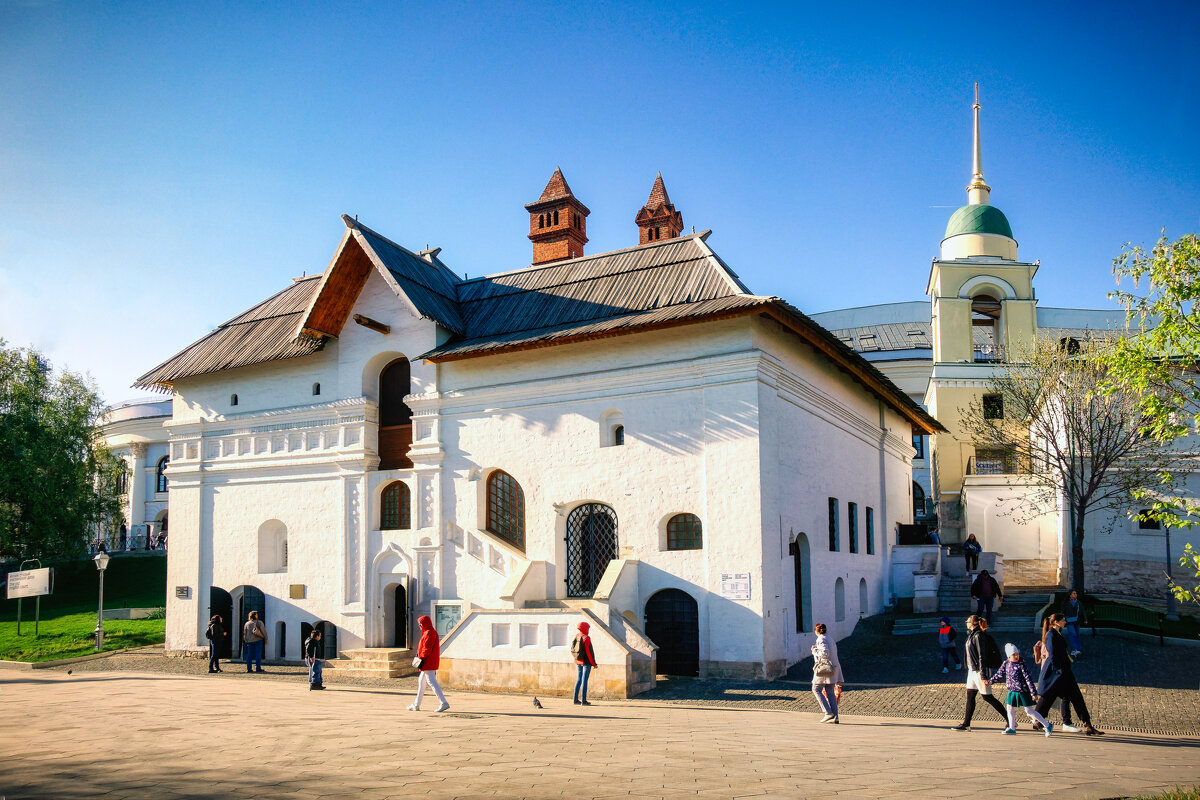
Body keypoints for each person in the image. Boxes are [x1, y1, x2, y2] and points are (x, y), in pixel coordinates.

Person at [1035, 613, 1104, 736]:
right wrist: (1060, 670)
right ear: (1056, 622)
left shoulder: (1057, 634)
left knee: (1074, 697)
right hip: (1058, 673)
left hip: (1063, 672)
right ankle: (1039, 720)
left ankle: (1086, 724)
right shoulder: (1051, 635)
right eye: (1063, 620)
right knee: (1049, 696)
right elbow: (1053, 655)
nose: (1065, 622)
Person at [952, 615, 1008, 731]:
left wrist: (983, 675)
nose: (966, 622)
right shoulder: (972, 635)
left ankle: (1010, 720)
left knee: (987, 697)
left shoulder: (979, 635)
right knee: (970, 696)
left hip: (980, 670)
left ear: (973, 623)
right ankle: (966, 724)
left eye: (967, 621)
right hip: (972, 670)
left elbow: (982, 656)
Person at [990, 643, 1053, 735]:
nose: (1016, 656)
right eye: (1014, 655)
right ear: (1009, 656)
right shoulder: (1006, 663)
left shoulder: (1021, 664)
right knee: (1009, 708)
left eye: (1017, 654)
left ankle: (1047, 725)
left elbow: (1028, 679)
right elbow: (999, 674)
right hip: (1012, 691)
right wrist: (990, 681)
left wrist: (1033, 693)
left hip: (1022, 691)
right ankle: (1011, 728)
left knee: (1029, 710)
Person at [408, 615, 449, 712]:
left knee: (431, 682)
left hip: (427, 662)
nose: (420, 626)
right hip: (429, 661)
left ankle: (443, 702)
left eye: (420, 624)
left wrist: (420, 659)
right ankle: (416, 704)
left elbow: (426, 649)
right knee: (421, 682)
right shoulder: (429, 632)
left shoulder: (428, 633)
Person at [811, 622, 844, 724]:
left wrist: (814, 650)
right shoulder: (830, 638)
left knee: (816, 689)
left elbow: (825, 653)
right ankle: (835, 716)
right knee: (830, 691)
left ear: (816, 631)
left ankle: (827, 712)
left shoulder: (821, 639)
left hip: (825, 669)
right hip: (834, 668)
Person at [571, 621, 598, 705]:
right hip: (586, 662)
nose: (588, 630)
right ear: (585, 628)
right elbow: (589, 652)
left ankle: (575, 700)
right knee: (584, 681)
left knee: (578, 680)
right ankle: (584, 701)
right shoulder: (587, 638)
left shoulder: (577, 636)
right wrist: (594, 663)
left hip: (578, 661)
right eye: (588, 628)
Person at [1061, 590, 1084, 657]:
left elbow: (1082, 611)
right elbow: (1062, 612)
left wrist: (1085, 619)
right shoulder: (1066, 603)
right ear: (1070, 595)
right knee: (1072, 634)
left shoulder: (1078, 603)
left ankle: (1077, 648)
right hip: (1069, 621)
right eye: (1074, 593)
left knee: (1077, 634)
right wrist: (1063, 619)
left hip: (1076, 621)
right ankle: (1075, 649)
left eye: (1076, 593)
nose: (1075, 594)